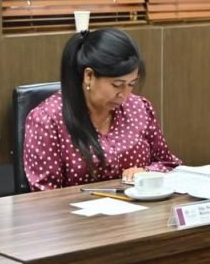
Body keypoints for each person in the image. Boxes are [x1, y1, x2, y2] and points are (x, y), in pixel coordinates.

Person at [24, 29, 182, 191]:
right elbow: (44, 194)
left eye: (131, 84)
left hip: (137, 205)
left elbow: (170, 165)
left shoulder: (139, 108)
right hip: (76, 207)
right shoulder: (47, 120)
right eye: (117, 85)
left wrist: (146, 172)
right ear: (89, 76)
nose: (124, 95)